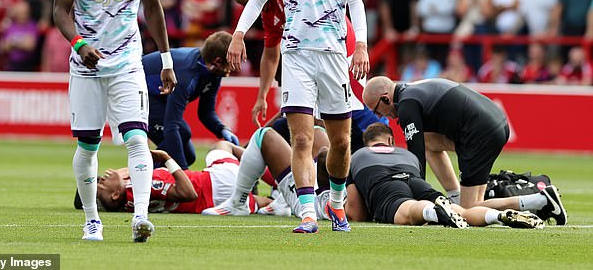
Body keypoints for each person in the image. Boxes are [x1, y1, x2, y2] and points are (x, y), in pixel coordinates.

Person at [227, 0, 370, 233]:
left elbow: (355, 0)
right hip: (297, 56)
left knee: (340, 142)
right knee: (302, 139)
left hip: (334, 55)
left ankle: (336, 205)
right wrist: (237, 34)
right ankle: (308, 213)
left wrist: (361, 44)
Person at [52, 0, 177, 243]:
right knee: (88, 145)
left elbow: (152, 8)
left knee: (138, 138)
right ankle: (92, 220)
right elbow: (60, 10)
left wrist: (166, 59)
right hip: (87, 67)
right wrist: (78, 43)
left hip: (127, 63)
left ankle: (140, 216)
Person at [362, 76, 567, 225]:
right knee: (430, 145)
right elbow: (426, 145)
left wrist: (416, 196)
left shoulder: (407, 105)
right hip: (491, 125)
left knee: (469, 210)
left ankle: (540, 200)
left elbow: (416, 157)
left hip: (479, 134)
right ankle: (454, 195)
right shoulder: (414, 90)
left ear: (386, 98)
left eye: (377, 110)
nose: (384, 117)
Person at [230, 0, 387, 153]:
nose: (252, 10)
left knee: (355, 105)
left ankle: (383, 145)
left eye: (248, 3)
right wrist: (262, 96)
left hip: (340, 49)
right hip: (312, 59)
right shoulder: (269, 11)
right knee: (318, 116)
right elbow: (271, 54)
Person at [345, 123, 546, 229]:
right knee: (461, 211)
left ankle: (434, 212)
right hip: (415, 180)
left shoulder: (357, 156)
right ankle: (499, 216)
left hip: (386, 185)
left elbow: (356, 212)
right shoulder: (406, 154)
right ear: (390, 140)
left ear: (366, 143)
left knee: (408, 212)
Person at [143, 31, 240, 170]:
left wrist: (222, 129)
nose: (233, 67)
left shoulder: (213, 72)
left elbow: (206, 112)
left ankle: (149, 174)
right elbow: (171, 126)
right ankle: (137, 174)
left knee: (188, 156)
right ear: (218, 61)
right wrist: (184, 173)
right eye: (231, 61)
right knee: (181, 133)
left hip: (159, 97)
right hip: (141, 93)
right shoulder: (187, 74)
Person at [202, 124, 332, 220]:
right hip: (330, 196)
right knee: (318, 132)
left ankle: (238, 203)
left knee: (263, 135)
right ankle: (283, 200)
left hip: (315, 203)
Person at [92, 144, 270, 214]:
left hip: (214, 203)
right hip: (216, 181)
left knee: (263, 202)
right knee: (221, 146)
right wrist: (167, 158)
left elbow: (126, 175)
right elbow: (189, 193)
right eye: (101, 183)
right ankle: (275, 177)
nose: (102, 177)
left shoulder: (130, 199)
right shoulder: (140, 186)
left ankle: (277, 201)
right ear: (115, 195)